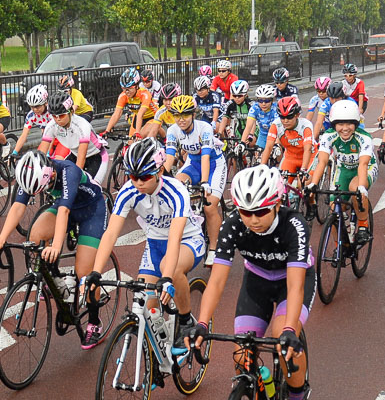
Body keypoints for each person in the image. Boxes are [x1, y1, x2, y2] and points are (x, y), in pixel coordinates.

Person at [187, 164, 315, 400]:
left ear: (276, 204)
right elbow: (217, 281)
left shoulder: (294, 225)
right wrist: (201, 324)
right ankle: (254, 394)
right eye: (246, 212)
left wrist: (292, 330)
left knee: (283, 338)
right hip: (256, 281)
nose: (253, 220)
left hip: (290, 282)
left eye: (260, 212)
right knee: (242, 351)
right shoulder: (233, 224)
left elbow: (295, 286)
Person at [88, 137, 205, 352]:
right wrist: (96, 272)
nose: (138, 183)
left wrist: (168, 277)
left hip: (187, 240)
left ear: (160, 171)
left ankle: (186, 320)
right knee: (144, 306)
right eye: (133, 177)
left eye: (145, 176)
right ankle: (156, 362)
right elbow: (111, 232)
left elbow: (175, 237)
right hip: (154, 243)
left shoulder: (176, 190)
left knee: (172, 270)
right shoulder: (128, 191)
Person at [0, 151, 107, 347]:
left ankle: (94, 323)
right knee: (35, 236)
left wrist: (56, 246)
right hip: (63, 207)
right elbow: (17, 207)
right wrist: (0, 240)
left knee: (84, 273)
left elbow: (64, 211)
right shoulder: (31, 173)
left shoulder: (68, 171)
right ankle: (56, 281)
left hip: (90, 212)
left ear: (50, 175)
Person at [163, 94, 225, 262]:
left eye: (185, 115)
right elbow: (169, 157)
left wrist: (205, 183)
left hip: (214, 165)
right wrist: (162, 178)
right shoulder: (172, 130)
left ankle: (213, 248)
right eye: (177, 115)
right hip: (193, 163)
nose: (180, 119)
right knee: (176, 185)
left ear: (193, 114)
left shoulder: (204, 128)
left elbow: (205, 157)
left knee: (210, 206)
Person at [307, 99, 375, 243]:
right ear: (334, 125)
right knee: (335, 209)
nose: (345, 128)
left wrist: (362, 189)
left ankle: (363, 226)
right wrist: (313, 184)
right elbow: (323, 162)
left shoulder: (364, 138)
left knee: (355, 189)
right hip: (343, 168)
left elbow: (363, 165)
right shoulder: (328, 136)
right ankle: (341, 247)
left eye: (349, 123)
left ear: (356, 124)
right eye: (340, 124)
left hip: (364, 168)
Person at [38, 90, 109, 185]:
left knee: (89, 188)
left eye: (62, 115)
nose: (58, 119)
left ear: (71, 112)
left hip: (96, 157)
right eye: (54, 116)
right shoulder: (51, 125)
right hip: (74, 155)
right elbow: (41, 152)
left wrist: (75, 179)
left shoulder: (82, 125)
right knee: (57, 182)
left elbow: (81, 158)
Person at [261, 96, 316, 186]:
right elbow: (268, 147)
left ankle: (310, 200)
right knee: (279, 186)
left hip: (310, 157)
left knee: (302, 183)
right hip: (290, 157)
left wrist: (303, 170)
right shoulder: (276, 124)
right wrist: (262, 167)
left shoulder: (306, 125)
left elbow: (308, 150)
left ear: (297, 115)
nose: (285, 121)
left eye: (289, 117)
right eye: (282, 117)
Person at [102, 68, 154, 138]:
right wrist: (107, 131)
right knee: (130, 142)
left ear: (136, 86)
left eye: (129, 88)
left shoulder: (145, 94)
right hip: (137, 118)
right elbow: (117, 114)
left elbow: (140, 114)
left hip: (152, 117)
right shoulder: (123, 95)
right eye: (123, 88)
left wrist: (137, 133)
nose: (126, 92)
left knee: (141, 135)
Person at [11, 84, 54, 158]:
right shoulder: (31, 115)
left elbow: (53, 135)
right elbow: (24, 135)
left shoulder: (52, 113)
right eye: (32, 107)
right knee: (39, 160)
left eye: (37, 106)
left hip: (60, 137)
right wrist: (15, 152)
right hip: (47, 138)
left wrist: (48, 153)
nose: (34, 110)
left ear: (45, 103)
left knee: (58, 159)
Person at [240, 83, 279, 157]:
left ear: (272, 100)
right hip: (263, 134)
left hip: (276, 135)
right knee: (257, 155)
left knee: (277, 154)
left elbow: (278, 128)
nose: (263, 104)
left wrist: (276, 144)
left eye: (267, 101)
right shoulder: (255, 108)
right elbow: (248, 127)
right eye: (260, 101)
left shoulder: (276, 109)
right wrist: (242, 142)